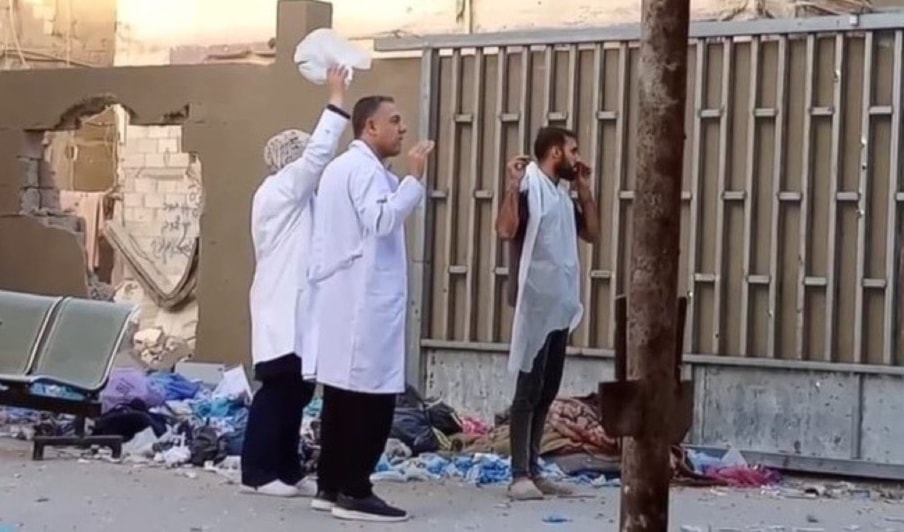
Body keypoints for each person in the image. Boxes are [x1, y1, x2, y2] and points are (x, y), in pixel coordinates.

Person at [304, 94, 435, 522]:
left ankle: (330, 484)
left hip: (347, 298)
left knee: (341, 396)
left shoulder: (344, 168)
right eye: (394, 121)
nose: (402, 128)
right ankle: (356, 489)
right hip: (365, 301)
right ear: (369, 127)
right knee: (373, 400)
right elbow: (379, 221)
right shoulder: (363, 170)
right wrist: (414, 181)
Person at [240, 65, 351, 498]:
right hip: (282, 308)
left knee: (297, 391)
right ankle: (259, 471)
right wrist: (336, 99)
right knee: (280, 390)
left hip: (299, 310)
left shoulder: (300, 200)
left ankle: (285, 468)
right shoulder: (281, 190)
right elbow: (318, 154)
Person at [495, 126, 600, 501]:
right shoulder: (529, 188)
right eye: (573, 151)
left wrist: (585, 190)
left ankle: (535, 469)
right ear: (556, 152)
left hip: (559, 303)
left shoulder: (560, 194)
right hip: (534, 302)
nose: (577, 157)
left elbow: (592, 233)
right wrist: (511, 185)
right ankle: (519, 473)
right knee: (528, 389)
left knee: (547, 387)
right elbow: (506, 230)